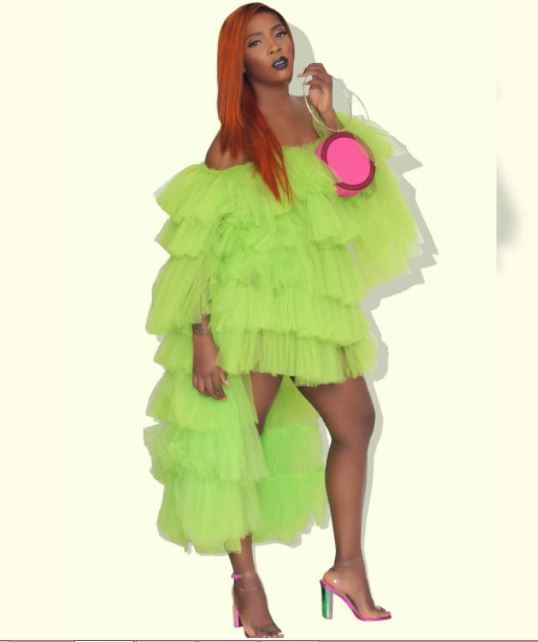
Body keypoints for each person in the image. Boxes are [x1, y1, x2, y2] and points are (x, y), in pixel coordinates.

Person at [143, 2, 424, 637]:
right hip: (245, 313)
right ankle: (247, 587)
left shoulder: (314, 115)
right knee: (235, 445)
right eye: (257, 42)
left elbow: (359, 188)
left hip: (308, 310)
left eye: (279, 34)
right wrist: (203, 337)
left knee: (356, 422)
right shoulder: (234, 140)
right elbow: (201, 247)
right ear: (236, 61)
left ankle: (348, 568)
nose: (276, 47)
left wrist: (331, 119)